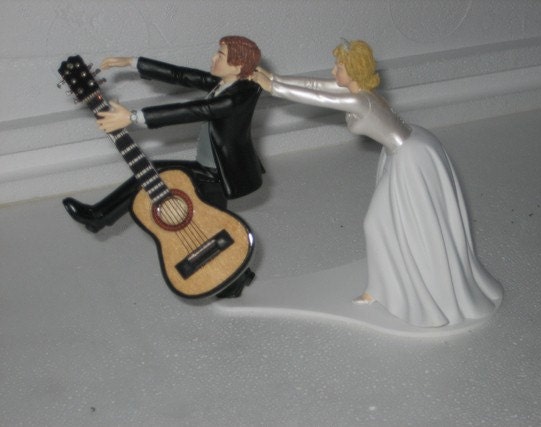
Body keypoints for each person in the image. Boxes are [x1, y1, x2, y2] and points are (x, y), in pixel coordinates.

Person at [254, 39, 502, 327]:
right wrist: (273, 79)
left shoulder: (359, 100)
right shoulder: (355, 90)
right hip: (402, 151)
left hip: (411, 155)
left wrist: (272, 88)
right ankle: (380, 288)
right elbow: (315, 85)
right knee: (384, 223)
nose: (334, 71)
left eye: (339, 67)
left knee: (391, 223)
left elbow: (319, 99)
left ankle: (425, 290)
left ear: (354, 71)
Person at [63, 35, 263, 298]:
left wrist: (133, 117)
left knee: (211, 225)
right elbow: (182, 75)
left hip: (221, 174)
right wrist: (133, 62)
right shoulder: (225, 83)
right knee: (165, 182)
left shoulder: (240, 94)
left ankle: (99, 216)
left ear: (237, 65)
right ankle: (99, 216)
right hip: (207, 166)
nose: (213, 58)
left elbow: (197, 110)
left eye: (221, 55)